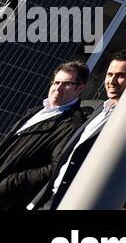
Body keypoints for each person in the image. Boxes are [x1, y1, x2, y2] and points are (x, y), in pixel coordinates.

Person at [29, 49, 126, 210]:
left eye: (121, 75)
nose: (112, 81)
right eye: (110, 74)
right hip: (51, 197)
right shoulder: (94, 109)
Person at [0, 61, 89, 209]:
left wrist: (7, 184)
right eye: (56, 82)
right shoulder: (35, 111)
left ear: (80, 88)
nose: (58, 88)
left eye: (66, 84)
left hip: (10, 200)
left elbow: (55, 167)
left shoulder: (72, 124)